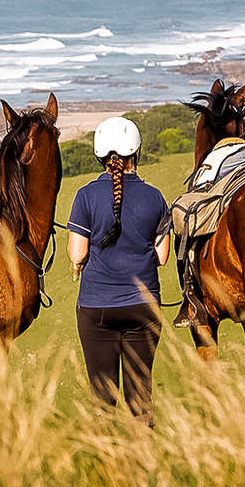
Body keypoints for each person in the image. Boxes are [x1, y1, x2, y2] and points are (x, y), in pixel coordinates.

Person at [66, 117, 171, 425]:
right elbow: (162, 257)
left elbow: (77, 253)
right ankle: (144, 461)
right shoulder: (154, 197)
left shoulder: (85, 195)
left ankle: (107, 466)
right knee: (140, 396)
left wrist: (79, 263)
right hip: (144, 307)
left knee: (102, 400)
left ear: (100, 156)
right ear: (134, 153)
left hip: (96, 307)